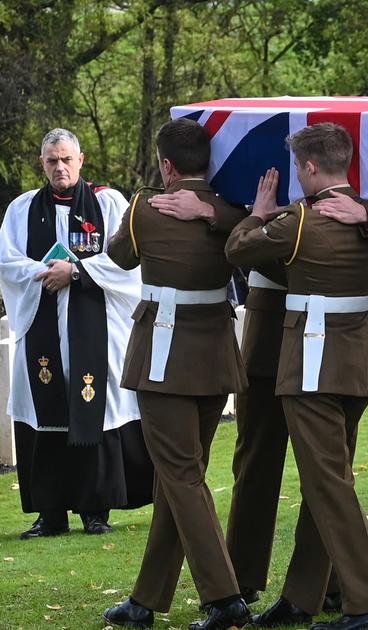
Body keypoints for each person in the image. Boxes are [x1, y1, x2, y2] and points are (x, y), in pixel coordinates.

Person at [226, 122, 368, 630]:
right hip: (356, 364)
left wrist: (256, 215)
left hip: (310, 365)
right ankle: (302, 596)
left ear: (309, 168)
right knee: (328, 481)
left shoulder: (297, 222)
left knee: (330, 486)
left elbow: (238, 251)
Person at [101, 119, 251, 630]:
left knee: (182, 478)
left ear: (166, 165)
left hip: (164, 359)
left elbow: (119, 256)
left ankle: (224, 597)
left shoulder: (146, 207)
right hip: (213, 357)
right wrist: (214, 209)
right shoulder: (231, 212)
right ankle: (146, 599)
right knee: (179, 479)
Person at [0, 128, 152, 540]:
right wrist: (43, 271)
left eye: (66, 159)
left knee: (95, 407)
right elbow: (7, 262)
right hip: (42, 323)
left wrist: (77, 271)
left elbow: (127, 261)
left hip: (95, 322)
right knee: (44, 410)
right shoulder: (22, 208)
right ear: (42, 163)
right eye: (51, 161)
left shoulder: (108, 203)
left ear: (81, 160)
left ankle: (94, 509)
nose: (59, 167)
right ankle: (50, 513)